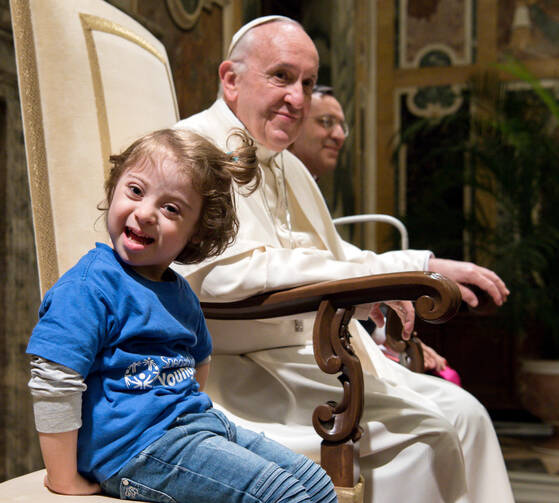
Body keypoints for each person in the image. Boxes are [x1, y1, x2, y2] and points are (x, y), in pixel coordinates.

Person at [173, 16, 514, 503]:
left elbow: (331, 254)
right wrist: (377, 280)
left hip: (307, 354)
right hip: (243, 370)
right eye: (281, 76)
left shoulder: (283, 161)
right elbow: (223, 275)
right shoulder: (193, 150)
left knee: (468, 416)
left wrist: (423, 267)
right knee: (425, 438)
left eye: (307, 83)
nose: (298, 98)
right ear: (230, 79)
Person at [26, 128, 337, 503]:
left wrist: (185, 416)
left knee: (315, 481)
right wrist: (64, 478)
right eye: (136, 191)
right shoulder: (88, 286)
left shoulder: (180, 292)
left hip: (195, 427)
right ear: (113, 190)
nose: (145, 213)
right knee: (284, 494)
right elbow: (54, 380)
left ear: (195, 233)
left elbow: (199, 360)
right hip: (132, 451)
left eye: (171, 209)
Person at [289, 85, 461, 384]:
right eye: (326, 122)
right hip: (299, 349)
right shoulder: (266, 182)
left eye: (343, 125)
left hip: (337, 335)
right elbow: (304, 277)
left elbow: (344, 263)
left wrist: (388, 337)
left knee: (448, 382)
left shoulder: (307, 186)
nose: (340, 135)